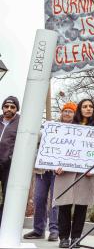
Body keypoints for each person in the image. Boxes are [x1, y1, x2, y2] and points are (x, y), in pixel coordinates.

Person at [24, 102, 77, 242]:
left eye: (70, 111)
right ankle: (38, 229)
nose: (67, 113)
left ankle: (54, 230)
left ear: (74, 114)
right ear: (61, 113)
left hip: (60, 172)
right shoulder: (50, 127)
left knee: (55, 201)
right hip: (43, 170)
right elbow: (37, 140)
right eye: (65, 111)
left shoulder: (76, 131)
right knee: (39, 198)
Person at [53, 99, 94, 248]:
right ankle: (64, 237)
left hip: (87, 174)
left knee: (81, 207)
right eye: (85, 106)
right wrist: (56, 166)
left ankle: (76, 238)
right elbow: (58, 148)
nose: (88, 109)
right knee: (64, 205)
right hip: (66, 172)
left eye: (91, 106)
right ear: (79, 109)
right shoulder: (68, 128)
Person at [0, 96, 20, 225]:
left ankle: (3, 224)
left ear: (16, 109)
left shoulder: (22, 123)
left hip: (9, 165)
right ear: (2, 107)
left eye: (12, 107)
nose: (9, 109)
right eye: (6, 106)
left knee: (7, 196)